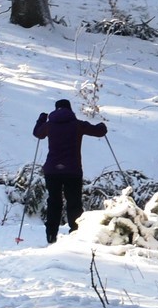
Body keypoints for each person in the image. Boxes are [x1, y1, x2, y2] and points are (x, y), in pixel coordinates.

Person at [32, 99, 106, 244]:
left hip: (52, 171)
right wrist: (102, 125)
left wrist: (41, 119)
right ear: (70, 109)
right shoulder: (77, 125)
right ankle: (75, 233)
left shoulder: (49, 125)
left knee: (54, 202)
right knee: (74, 202)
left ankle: (51, 235)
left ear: (55, 109)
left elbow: (37, 133)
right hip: (73, 171)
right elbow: (100, 132)